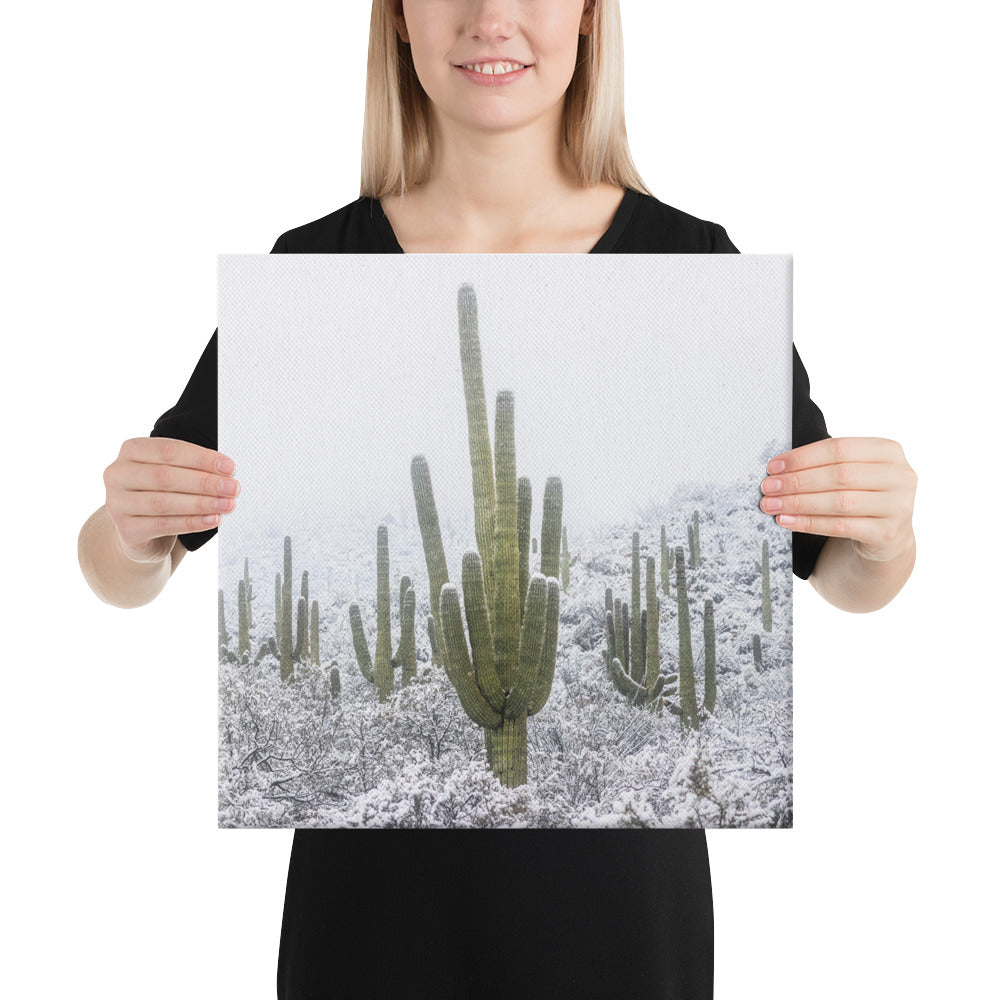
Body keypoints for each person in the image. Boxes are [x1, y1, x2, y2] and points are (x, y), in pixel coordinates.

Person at [78, 1, 918, 996]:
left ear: (590, 19)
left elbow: (840, 572)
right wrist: (131, 531)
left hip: (618, 918)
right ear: (396, 20)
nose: (492, 19)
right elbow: (122, 565)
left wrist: (884, 530)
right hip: (368, 916)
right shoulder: (311, 277)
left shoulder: (691, 270)